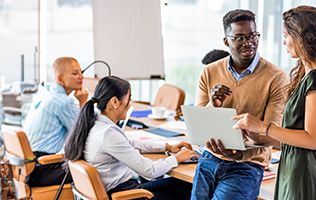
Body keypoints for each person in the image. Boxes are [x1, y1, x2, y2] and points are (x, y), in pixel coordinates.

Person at [233, 6, 316, 199]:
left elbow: (312, 140)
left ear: (301, 38)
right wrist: (257, 135)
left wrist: (262, 126)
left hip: (305, 173)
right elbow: (294, 134)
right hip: (294, 167)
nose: (284, 42)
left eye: (286, 35)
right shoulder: (305, 76)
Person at [191, 9, 288, 200]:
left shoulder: (276, 78)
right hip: (209, 158)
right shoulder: (209, 72)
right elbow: (198, 124)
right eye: (240, 38)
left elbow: (273, 134)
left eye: (253, 36)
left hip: (247, 165)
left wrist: (238, 149)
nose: (249, 43)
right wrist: (213, 104)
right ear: (226, 41)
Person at [64, 76, 198, 200]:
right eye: (129, 98)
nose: (130, 103)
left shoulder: (95, 124)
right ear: (115, 102)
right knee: (189, 186)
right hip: (125, 195)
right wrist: (177, 158)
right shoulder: (107, 134)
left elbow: (130, 143)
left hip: (120, 190)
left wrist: (167, 146)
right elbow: (150, 171)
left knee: (179, 184)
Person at [23, 57, 88, 187]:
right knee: (92, 172)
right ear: (60, 79)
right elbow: (83, 133)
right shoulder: (63, 101)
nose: (81, 77)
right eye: (75, 73)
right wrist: (83, 102)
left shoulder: (45, 93)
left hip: (28, 168)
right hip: (43, 167)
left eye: (81, 72)